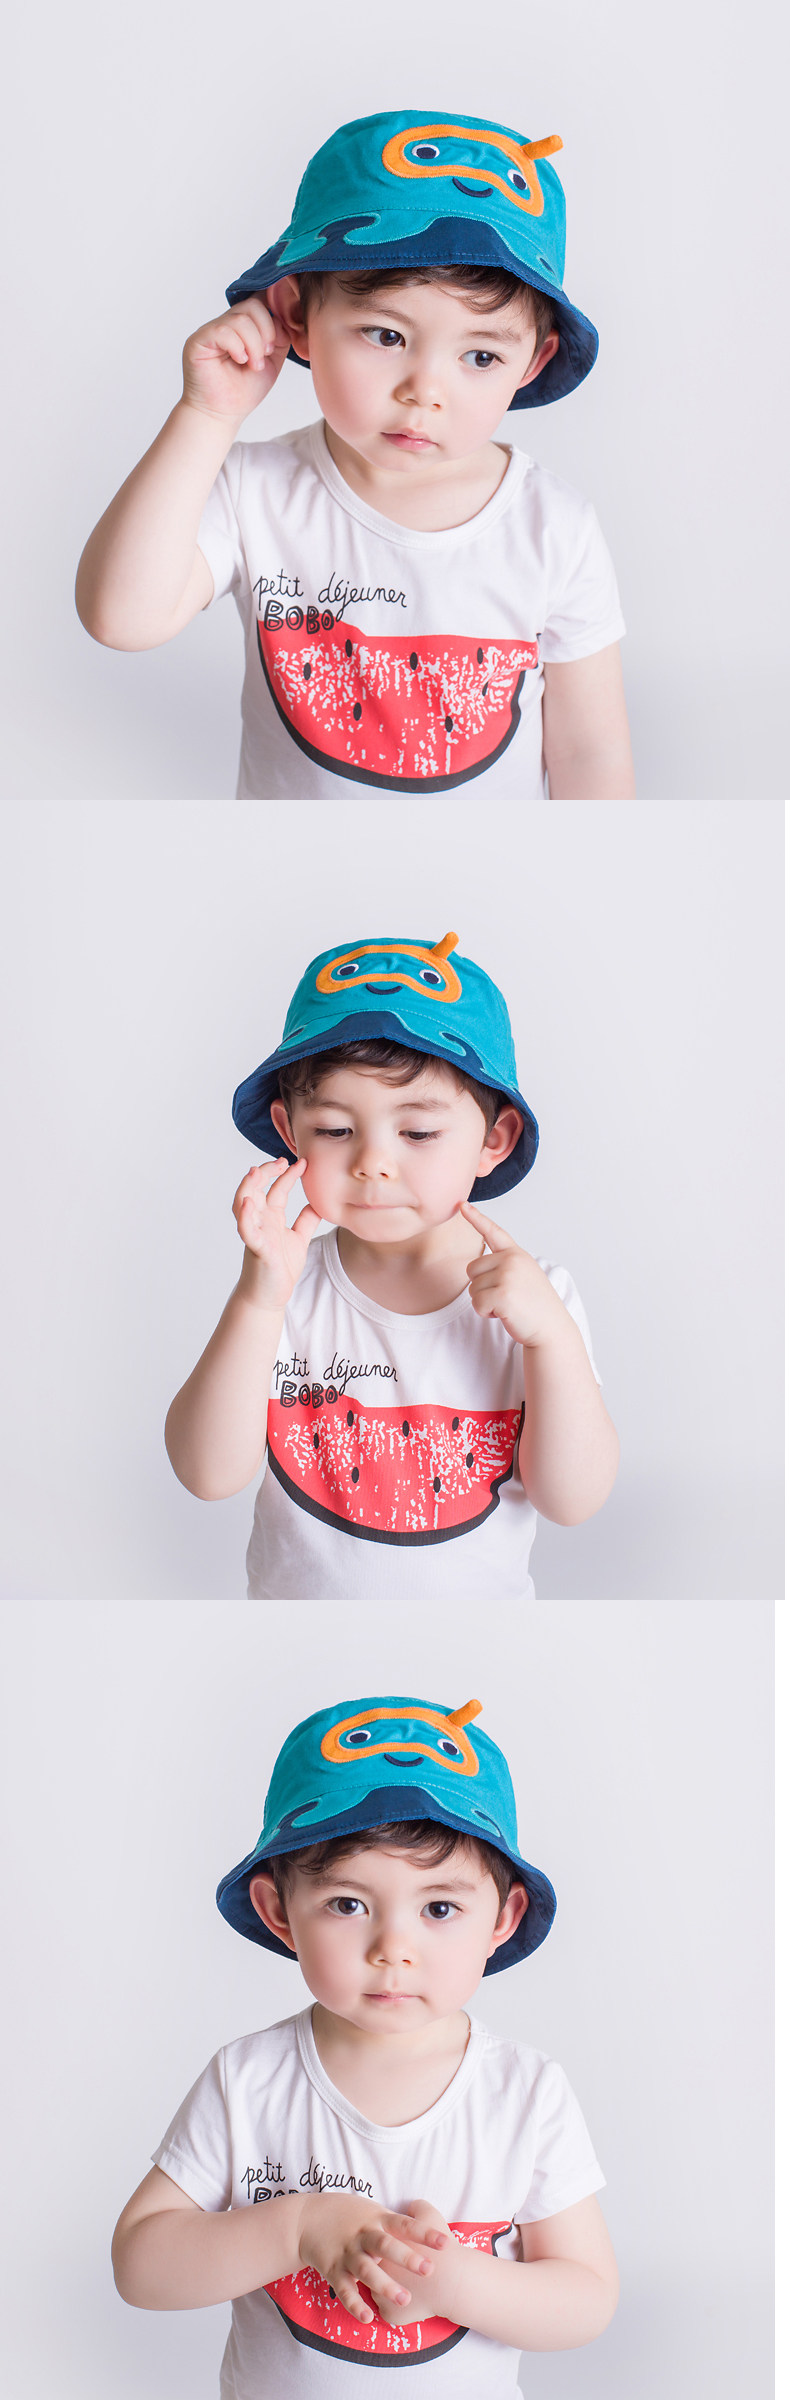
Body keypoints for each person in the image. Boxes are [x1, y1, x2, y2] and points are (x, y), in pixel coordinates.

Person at [76, 109, 634, 801]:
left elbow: (589, 753)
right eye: (386, 336)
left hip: (487, 867)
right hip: (291, 865)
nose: (425, 391)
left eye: (480, 356)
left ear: (533, 362)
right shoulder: (254, 489)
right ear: (297, 316)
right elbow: (121, 618)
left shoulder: (556, 528)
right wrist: (208, 413)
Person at [112, 1690, 619, 2395]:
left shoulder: (525, 2093)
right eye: (348, 1904)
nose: (393, 1948)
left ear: (502, 1919)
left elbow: (587, 2297)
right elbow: (140, 2267)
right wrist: (298, 2228)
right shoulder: (247, 2079)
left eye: (439, 1907)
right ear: (279, 1911)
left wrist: (451, 2280)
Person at [164, 930, 619, 1598]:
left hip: (480, 1645)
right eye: (335, 1130)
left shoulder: (540, 1301)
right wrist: (256, 1303)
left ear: (493, 1139)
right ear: (290, 1133)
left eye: (418, 1132)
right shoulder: (283, 1290)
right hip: (296, 1644)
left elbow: (572, 1501)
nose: (373, 1162)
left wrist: (552, 1341)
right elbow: (207, 1475)